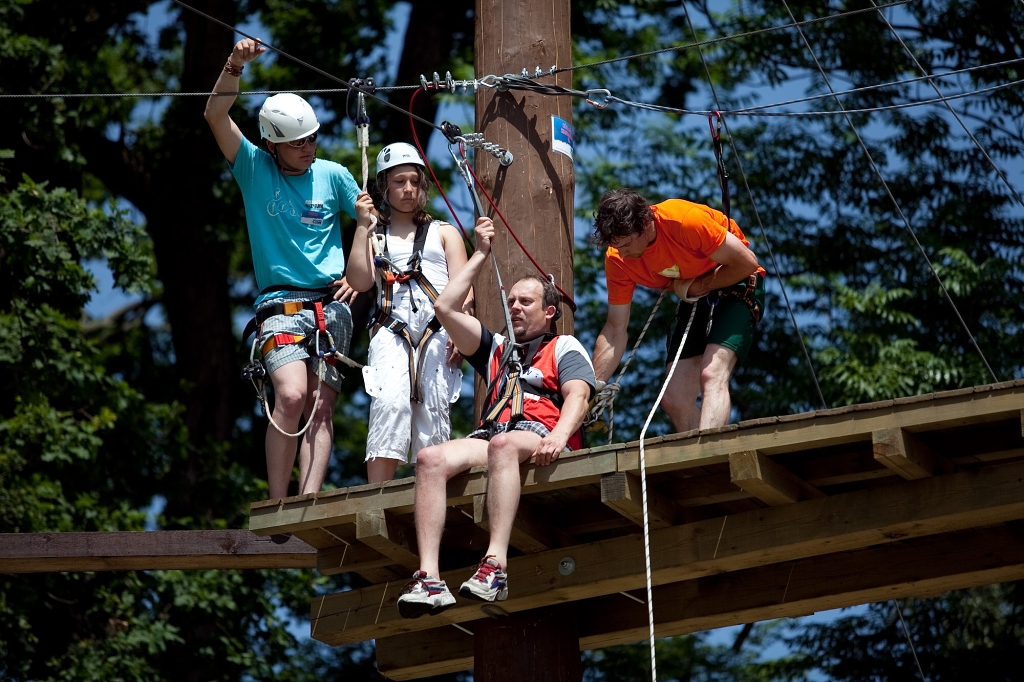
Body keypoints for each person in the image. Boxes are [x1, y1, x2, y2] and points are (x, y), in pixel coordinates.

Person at [395, 217, 595, 618]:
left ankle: (495, 565)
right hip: (494, 432)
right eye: (512, 301)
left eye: (526, 302)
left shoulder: (565, 346)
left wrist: (558, 435)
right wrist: (481, 254)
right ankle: (429, 576)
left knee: (503, 445)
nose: (515, 307)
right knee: (430, 459)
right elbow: (444, 306)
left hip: (538, 432)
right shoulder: (496, 349)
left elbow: (579, 396)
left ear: (550, 311)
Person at [205, 38, 362, 499]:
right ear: (272, 145)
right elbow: (215, 116)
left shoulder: (333, 174)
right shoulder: (254, 169)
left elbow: (375, 225)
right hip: (279, 303)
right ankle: (278, 502)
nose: (308, 147)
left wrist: (360, 266)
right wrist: (234, 64)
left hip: (331, 305)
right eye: (297, 143)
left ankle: (308, 499)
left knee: (321, 405)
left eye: (312, 138)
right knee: (291, 396)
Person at [346, 142, 472, 483]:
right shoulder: (375, 235)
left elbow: (465, 290)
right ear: (385, 185)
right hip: (391, 328)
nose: (408, 189)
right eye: (400, 181)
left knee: (433, 411)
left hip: (438, 330)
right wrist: (362, 226)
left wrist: (463, 333)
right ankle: (378, 495)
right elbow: (359, 280)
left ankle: (432, 494)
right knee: (389, 405)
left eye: (415, 181)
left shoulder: (444, 233)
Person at [591, 188, 764, 432]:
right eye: (616, 246)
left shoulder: (683, 221)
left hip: (738, 281)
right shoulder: (618, 260)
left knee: (712, 372)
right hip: (693, 296)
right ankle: (701, 457)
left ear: (646, 223)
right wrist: (591, 387)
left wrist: (698, 285)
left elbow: (747, 262)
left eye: (627, 244)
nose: (623, 253)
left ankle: (709, 457)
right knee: (675, 398)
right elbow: (615, 329)